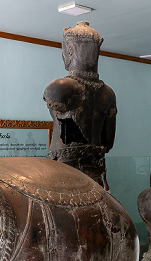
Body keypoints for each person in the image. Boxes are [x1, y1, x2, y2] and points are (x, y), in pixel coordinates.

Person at [43, 21, 117, 188]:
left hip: (61, 172)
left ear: (70, 50)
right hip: (95, 173)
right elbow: (108, 142)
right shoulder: (108, 93)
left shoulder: (59, 88)